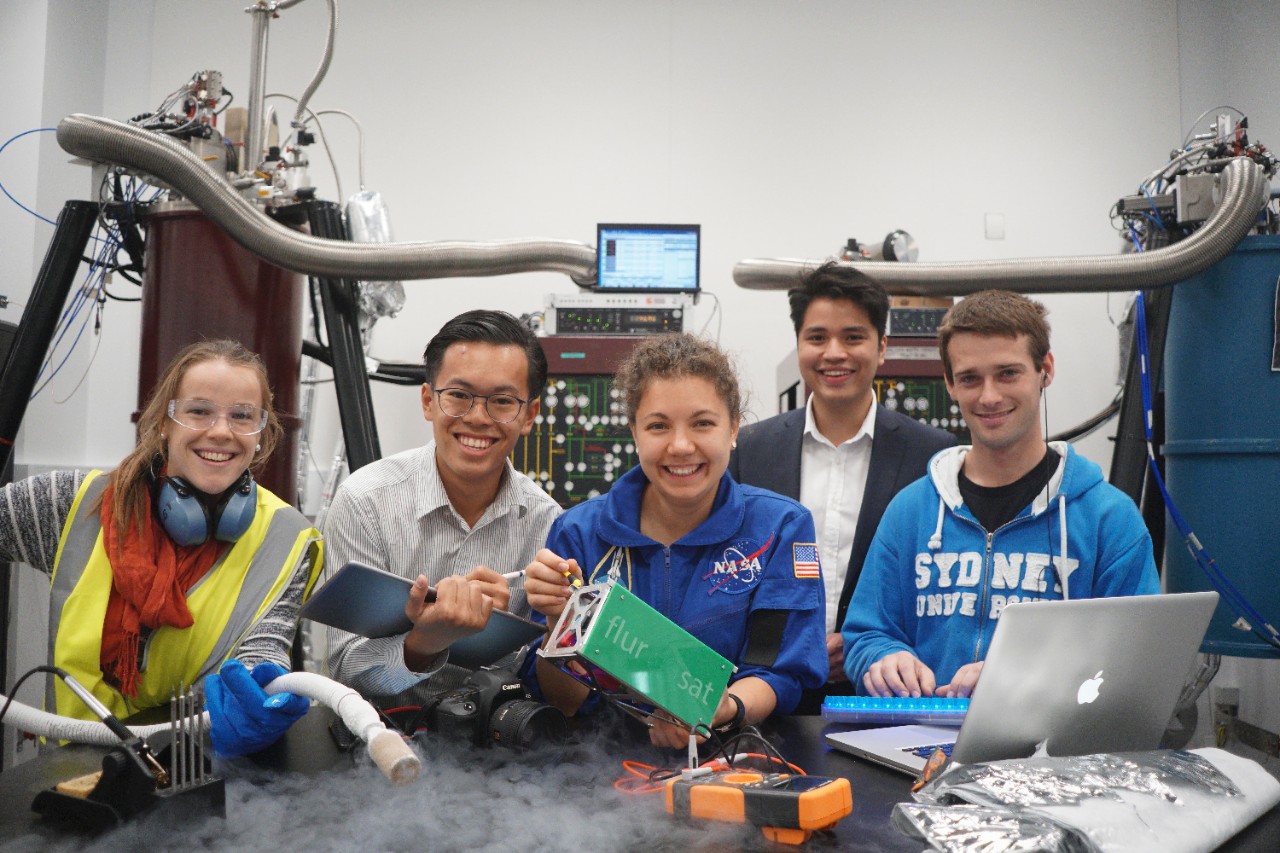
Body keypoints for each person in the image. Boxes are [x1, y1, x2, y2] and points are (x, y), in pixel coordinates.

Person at [0, 340, 322, 756]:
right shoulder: (74, 503)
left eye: (242, 416)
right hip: (69, 775)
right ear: (165, 423)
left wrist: (263, 691)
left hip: (199, 770)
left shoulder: (287, 537)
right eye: (199, 411)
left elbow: (264, 646)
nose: (221, 431)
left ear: (261, 434)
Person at [842, 290, 1159, 699]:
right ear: (949, 384)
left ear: (1045, 369)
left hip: (1051, 755)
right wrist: (883, 659)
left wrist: (1022, 675)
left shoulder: (1109, 518)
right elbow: (867, 634)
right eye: (970, 378)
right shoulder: (911, 511)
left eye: (1008, 373)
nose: (989, 396)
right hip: (918, 749)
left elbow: (1134, 660)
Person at [524, 333, 826, 749]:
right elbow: (565, 702)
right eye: (658, 426)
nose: (681, 446)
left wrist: (725, 707)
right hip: (598, 774)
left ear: (734, 426)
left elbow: (781, 672)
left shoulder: (782, 528)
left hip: (732, 760)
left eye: (703, 423)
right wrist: (556, 626)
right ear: (634, 431)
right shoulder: (577, 533)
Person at [729, 261, 955, 713]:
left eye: (853, 337)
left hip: (886, 696)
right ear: (798, 346)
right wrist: (799, 645)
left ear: (882, 347)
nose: (834, 352)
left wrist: (861, 645)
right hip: (766, 696)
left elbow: (934, 578)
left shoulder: (932, 456)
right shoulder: (750, 450)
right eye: (817, 338)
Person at [324, 309, 561, 707]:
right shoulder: (365, 502)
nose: (478, 418)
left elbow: (540, 682)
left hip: (499, 747)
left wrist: (538, 626)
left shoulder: (547, 524)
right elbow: (345, 670)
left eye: (503, 401)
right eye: (459, 396)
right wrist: (427, 642)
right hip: (375, 741)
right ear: (428, 401)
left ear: (528, 416)